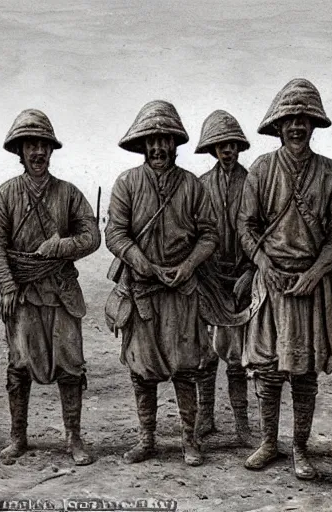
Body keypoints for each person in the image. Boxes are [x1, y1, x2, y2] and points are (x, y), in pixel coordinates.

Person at [238, 78, 332, 480]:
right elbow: (246, 224)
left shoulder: (331, 173)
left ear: (314, 124)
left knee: (303, 373)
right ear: (278, 125)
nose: (297, 126)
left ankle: (300, 448)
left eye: (304, 119)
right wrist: (263, 264)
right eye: (289, 119)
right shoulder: (262, 170)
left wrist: (315, 272)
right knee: (268, 370)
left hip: (311, 284)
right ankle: (269, 442)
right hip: (270, 284)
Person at [105, 100, 219, 466]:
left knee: (185, 368)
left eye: (164, 140)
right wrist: (146, 265)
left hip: (182, 292)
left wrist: (187, 266)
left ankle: (190, 440)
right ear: (142, 144)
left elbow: (209, 235)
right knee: (142, 370)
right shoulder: (126, 183)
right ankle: (147, 439)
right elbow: (116, 234)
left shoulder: (191, 186)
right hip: (141, 290)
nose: (158, 148)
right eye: (151, 141)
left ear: (174, 143)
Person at [0, 109, 101, 466]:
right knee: (19, 366)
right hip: (21, 294)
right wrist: (6, 287)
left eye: (43, 146)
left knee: (71, 366)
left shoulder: (68, 193)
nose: (37, 152)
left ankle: (74, 439)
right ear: (20, 152)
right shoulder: (6, 194)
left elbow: (92, 236)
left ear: (52, 151)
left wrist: (60, 247)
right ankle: (17, 437)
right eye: (30, 146)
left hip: (62, 291)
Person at [194, 110, 254, 446]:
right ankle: (205, 417)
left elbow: (262, 230)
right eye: (220, 145)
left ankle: (242, 425)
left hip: (241, 280)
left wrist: (250, 270)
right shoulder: (201, 185)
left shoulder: (253, 181)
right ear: (213, 149)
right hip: (209, 278)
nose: (226, 150)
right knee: (206, 354)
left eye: (231, 144)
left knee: (236, 356)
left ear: (239, 147)